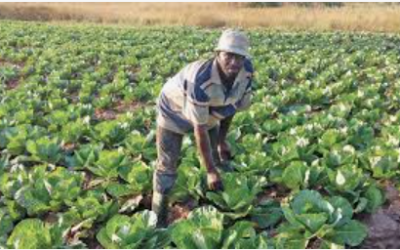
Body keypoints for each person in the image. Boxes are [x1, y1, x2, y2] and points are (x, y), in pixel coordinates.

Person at [152, 29, 254, 227]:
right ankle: (158, 218)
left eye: (239, 57)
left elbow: (231, 106)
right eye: (228, 56)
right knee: (167, 165)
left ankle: (216, 206)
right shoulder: (201, 79)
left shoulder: (246, 72)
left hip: (208, 111)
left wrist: (222, 141)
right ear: (217, 54)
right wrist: (210, 171)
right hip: (173, 111)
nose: (234, 62)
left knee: (217, 157)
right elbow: (200, 129)